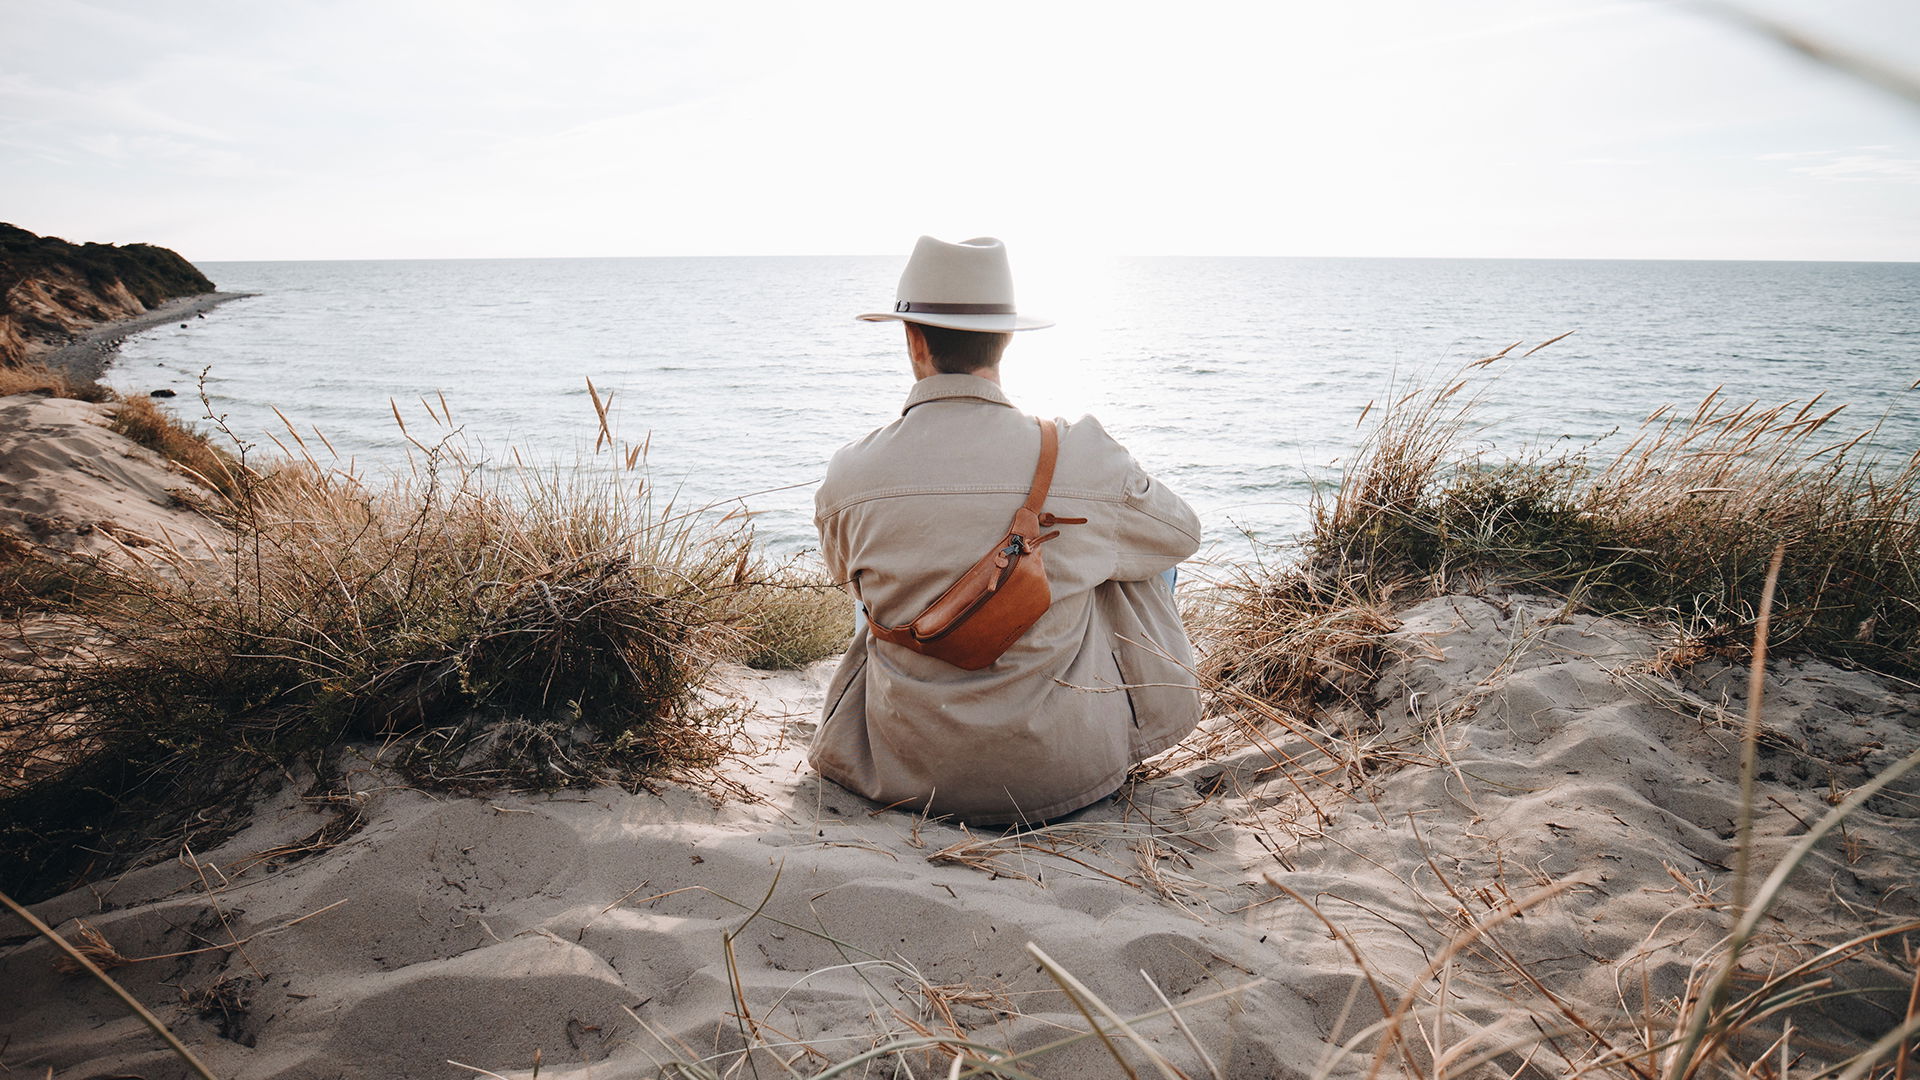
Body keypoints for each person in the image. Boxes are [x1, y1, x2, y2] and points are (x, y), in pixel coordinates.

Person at [808, 236, 1202, 825]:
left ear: (914, 341)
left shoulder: (850, 472)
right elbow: (1183, 537)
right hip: (1063, 773)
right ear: (1008, 339)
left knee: (875, 585)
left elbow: (848, 585)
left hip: (903, 770)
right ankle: (1123, 722)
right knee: (1132, 551)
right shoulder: (1079, 450)